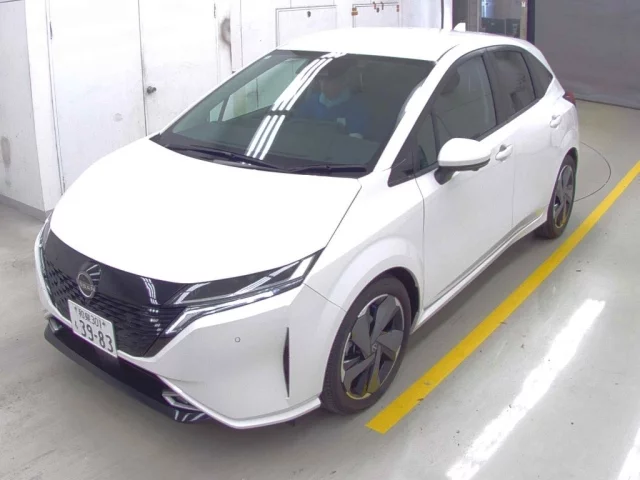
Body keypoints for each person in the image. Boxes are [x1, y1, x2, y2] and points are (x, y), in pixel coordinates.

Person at [295, 56, 368, 138]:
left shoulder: (357, 108)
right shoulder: (311, 102)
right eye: (321, 80)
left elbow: (355, 140)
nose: (323, 84)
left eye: (329, 81)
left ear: (343, 81)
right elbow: (296, 129)